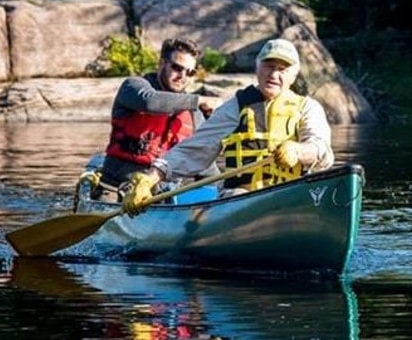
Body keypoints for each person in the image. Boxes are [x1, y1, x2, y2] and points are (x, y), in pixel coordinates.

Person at [122, 38, 334, 214]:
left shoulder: (308, 108)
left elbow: (322, 151)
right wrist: (151, 177)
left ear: (293, 75)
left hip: (289, 196)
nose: (274, 74)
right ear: (257, 67)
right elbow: (195, 148)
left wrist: (299, 151)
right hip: (240, 198)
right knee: (237, 197)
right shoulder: (235, 107)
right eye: (269, 66)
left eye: (282, 69)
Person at [100, 37, 215, 190]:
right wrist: (198, 100)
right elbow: (150, 102)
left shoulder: (193, 113)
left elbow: (204, 163)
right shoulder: (133, 87)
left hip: (165, 195)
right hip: (117, 186)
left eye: (190, 72)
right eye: (177, 68)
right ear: (161, 64)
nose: (183, 76)